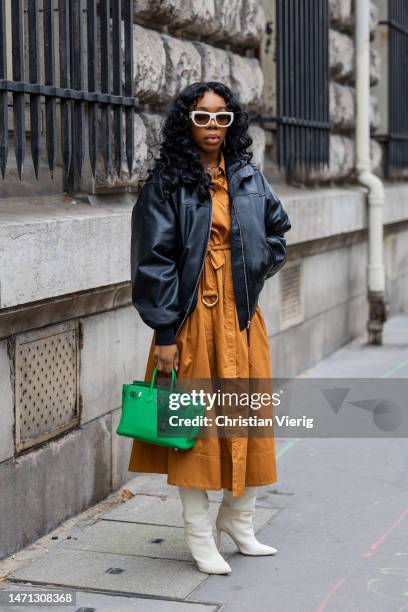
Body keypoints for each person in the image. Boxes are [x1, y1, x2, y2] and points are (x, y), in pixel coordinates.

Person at [128, 81, 292, 575]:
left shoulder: (247, 177)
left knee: (249, 417)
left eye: (222, 118)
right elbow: (152, 261)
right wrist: (165, 333)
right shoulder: (166, 184)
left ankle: (239, 521)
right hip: (193, 317)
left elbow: (278, 230)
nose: (213, 127)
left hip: (242, 317)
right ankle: (199, 535)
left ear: (232, 123)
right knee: (193, 428)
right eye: (202, 117)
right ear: (186, 122)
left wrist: (257, 266)